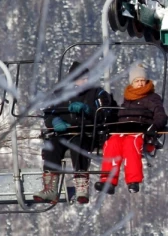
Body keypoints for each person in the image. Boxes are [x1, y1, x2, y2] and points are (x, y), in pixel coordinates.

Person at [33, 62, 116, 204]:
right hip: (63, 132)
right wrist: (54, 121)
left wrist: (88, 110)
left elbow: (106, 112)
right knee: (52, 146)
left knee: (78, 143)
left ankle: (81, 185)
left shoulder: (97, 93)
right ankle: (50, 188)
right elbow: (48, 113)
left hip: (87, 133)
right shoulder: (60, 94)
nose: (84, 81)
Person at [98, 63, 167, 194]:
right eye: (137, 81)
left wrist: (155, 126)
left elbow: (161, 115)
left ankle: (133, 181)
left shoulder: (152, 98)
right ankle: (108, 182)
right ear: (132, 83)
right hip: (124, 131)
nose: (140, 84)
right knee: (111, 143)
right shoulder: (128, 98)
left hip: (143, 133)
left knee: (131, 143)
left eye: (142, 80)